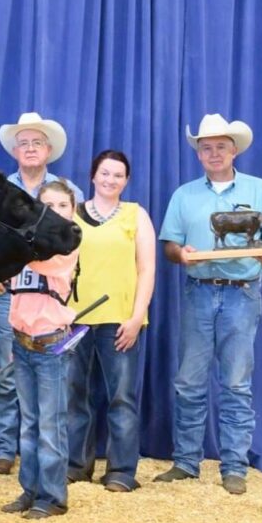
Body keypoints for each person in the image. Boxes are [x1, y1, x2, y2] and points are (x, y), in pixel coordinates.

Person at [155, 113, 262, 495]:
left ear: (234, 151)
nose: (214, 153)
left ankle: (234, 465)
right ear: (198, 155)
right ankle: (185, 462)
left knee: (235, 381)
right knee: (189, 380)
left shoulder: (260, 190)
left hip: (242, 292)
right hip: (198, 290)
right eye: (206, 147)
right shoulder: (184, 195)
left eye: (221, 147)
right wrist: (181, 255)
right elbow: (169, 246)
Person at [0, 112, 84, 475]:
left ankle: (48, 462)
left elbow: (73, 241)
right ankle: (2, 447)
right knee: (5, 367)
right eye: (24, 143)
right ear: (15, 150)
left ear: (49, 150)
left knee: (48, 377)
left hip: (48, 297)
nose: (30, 149)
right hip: (8, 294)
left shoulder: (65, 192)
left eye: (36, 143)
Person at [66, 150, 155, 492]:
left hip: (120, 321)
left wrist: (136, 317)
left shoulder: (136, 215)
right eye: (105, 173)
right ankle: (76, 464)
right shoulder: (72, 214)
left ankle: (121, 470)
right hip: (76, 320)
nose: (110, 180)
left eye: (118, 175)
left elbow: (146, 267)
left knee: (121, 397)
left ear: (126, 181)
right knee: (76, 395)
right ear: (92, 176)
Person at [1, 181, 80, 519]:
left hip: (51, 345)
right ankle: (29, 489)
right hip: (22, 342)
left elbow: (35, 262)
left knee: (51, 424)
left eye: (62, 205)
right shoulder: (24, 246)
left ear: (73, 211)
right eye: (47, 204)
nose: (56, 211)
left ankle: (52, 496)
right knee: (29, 422)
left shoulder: (66, 245)